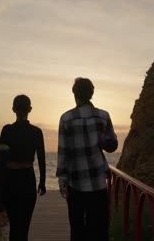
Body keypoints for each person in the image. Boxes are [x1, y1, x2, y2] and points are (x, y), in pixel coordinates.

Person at [56, 77, 118, 241]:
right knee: (99, 229)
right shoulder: (103, 116)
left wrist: (62, 180)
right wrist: (101, 137)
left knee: (77, 229)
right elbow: (112, 146)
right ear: (91, 94)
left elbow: (63, 151)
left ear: (74, 94)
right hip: (98, 181)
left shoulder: (66, 118)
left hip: (75, 183)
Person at [0, 94, 46, 241]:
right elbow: (41, 159)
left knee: (14, 226)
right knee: (23, 227)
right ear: (30, 109)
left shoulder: (7, 130)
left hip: (10, 181)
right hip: (28, 180)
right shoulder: (36, 132)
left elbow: (0, 161)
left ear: (13, 109)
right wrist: (43, 182)